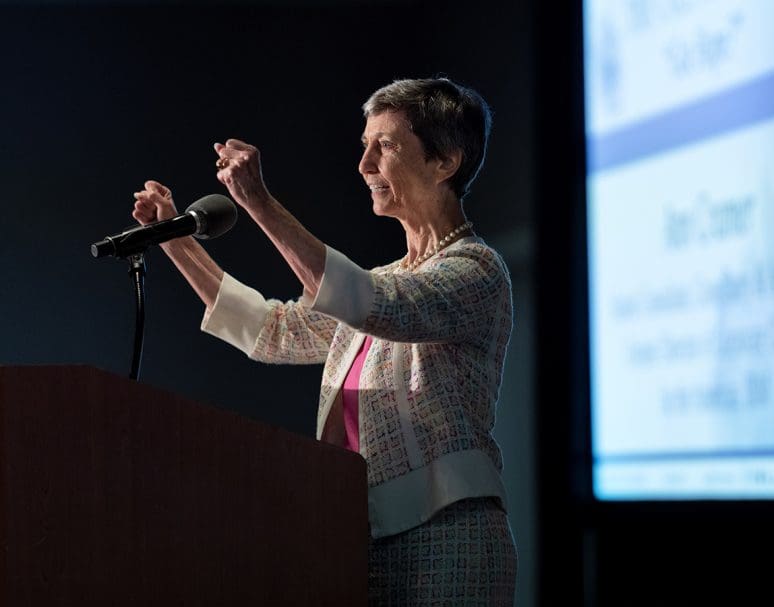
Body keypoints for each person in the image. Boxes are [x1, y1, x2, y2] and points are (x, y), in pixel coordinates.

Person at [132, 77, 517, 605]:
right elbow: (274, 331)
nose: (365, 166)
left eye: (384, 146)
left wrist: (260, 203)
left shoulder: (476, 270)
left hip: (448, 534)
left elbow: (376, 303)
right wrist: (177, 238)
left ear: (445, 161)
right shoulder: (386, 278)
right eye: (364, 147)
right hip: (355, 535)